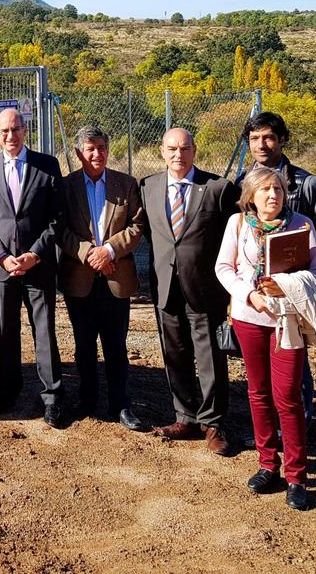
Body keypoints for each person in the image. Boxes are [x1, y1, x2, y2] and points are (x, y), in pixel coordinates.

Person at [215, 165, 316, 511]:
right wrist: (249, 295)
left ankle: (297, 475)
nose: (273, 196)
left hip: (286, 321)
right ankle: (268, 465)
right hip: (249, 318)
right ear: (251, 195)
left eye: (278, 190)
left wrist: (289, 287)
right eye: (265, 190)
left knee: (289, 397)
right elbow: (224, 268)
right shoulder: (237, 225)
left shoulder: (301, 225)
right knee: (257, 391)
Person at [141, 127, 241, 454]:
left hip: (205, 290)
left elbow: (237, 236)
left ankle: (213, 424)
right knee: (175, 354)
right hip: (166, 288)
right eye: (171, 149)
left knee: (210, 357)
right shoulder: (148, 187)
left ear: (194, 151)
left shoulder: (217, 189)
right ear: (161, 151)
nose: (178, 155)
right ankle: (184, 416)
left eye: (184, 149)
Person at [0, 108, 66, 428]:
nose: (10, 136)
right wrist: (0, 257)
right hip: (2, 269)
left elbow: (58, 218)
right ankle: (8, 391)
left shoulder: (47, 165)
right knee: (6, 332)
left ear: (26, 130)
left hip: (38, 266)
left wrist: (35, 254)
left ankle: (52, 397)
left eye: (16, 129)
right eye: (3, 131)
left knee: (44, 331)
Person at [237, 111, 316, 420]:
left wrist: (313, 289)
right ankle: (269, 429)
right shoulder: (242, 182)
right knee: (261, 372)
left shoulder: (307, 185)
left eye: (268, 137)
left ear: (282, 140)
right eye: (254, 139)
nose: (261, 144)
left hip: (294, 295)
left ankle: (295, 425)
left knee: (295, 365)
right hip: (257, 300)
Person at [59, 125, 147, 430]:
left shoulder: (125, 184)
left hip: (115, 276)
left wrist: (109, 251)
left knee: (115, 344)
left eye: (102, 148)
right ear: (79, 153)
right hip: (79, 279)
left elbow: (137, 227)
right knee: (84, 344)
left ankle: (121, 405)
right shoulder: (66, 186)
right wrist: (89, 254)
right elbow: (60, 230)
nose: (97, 154)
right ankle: (87, 400)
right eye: (90, 148)